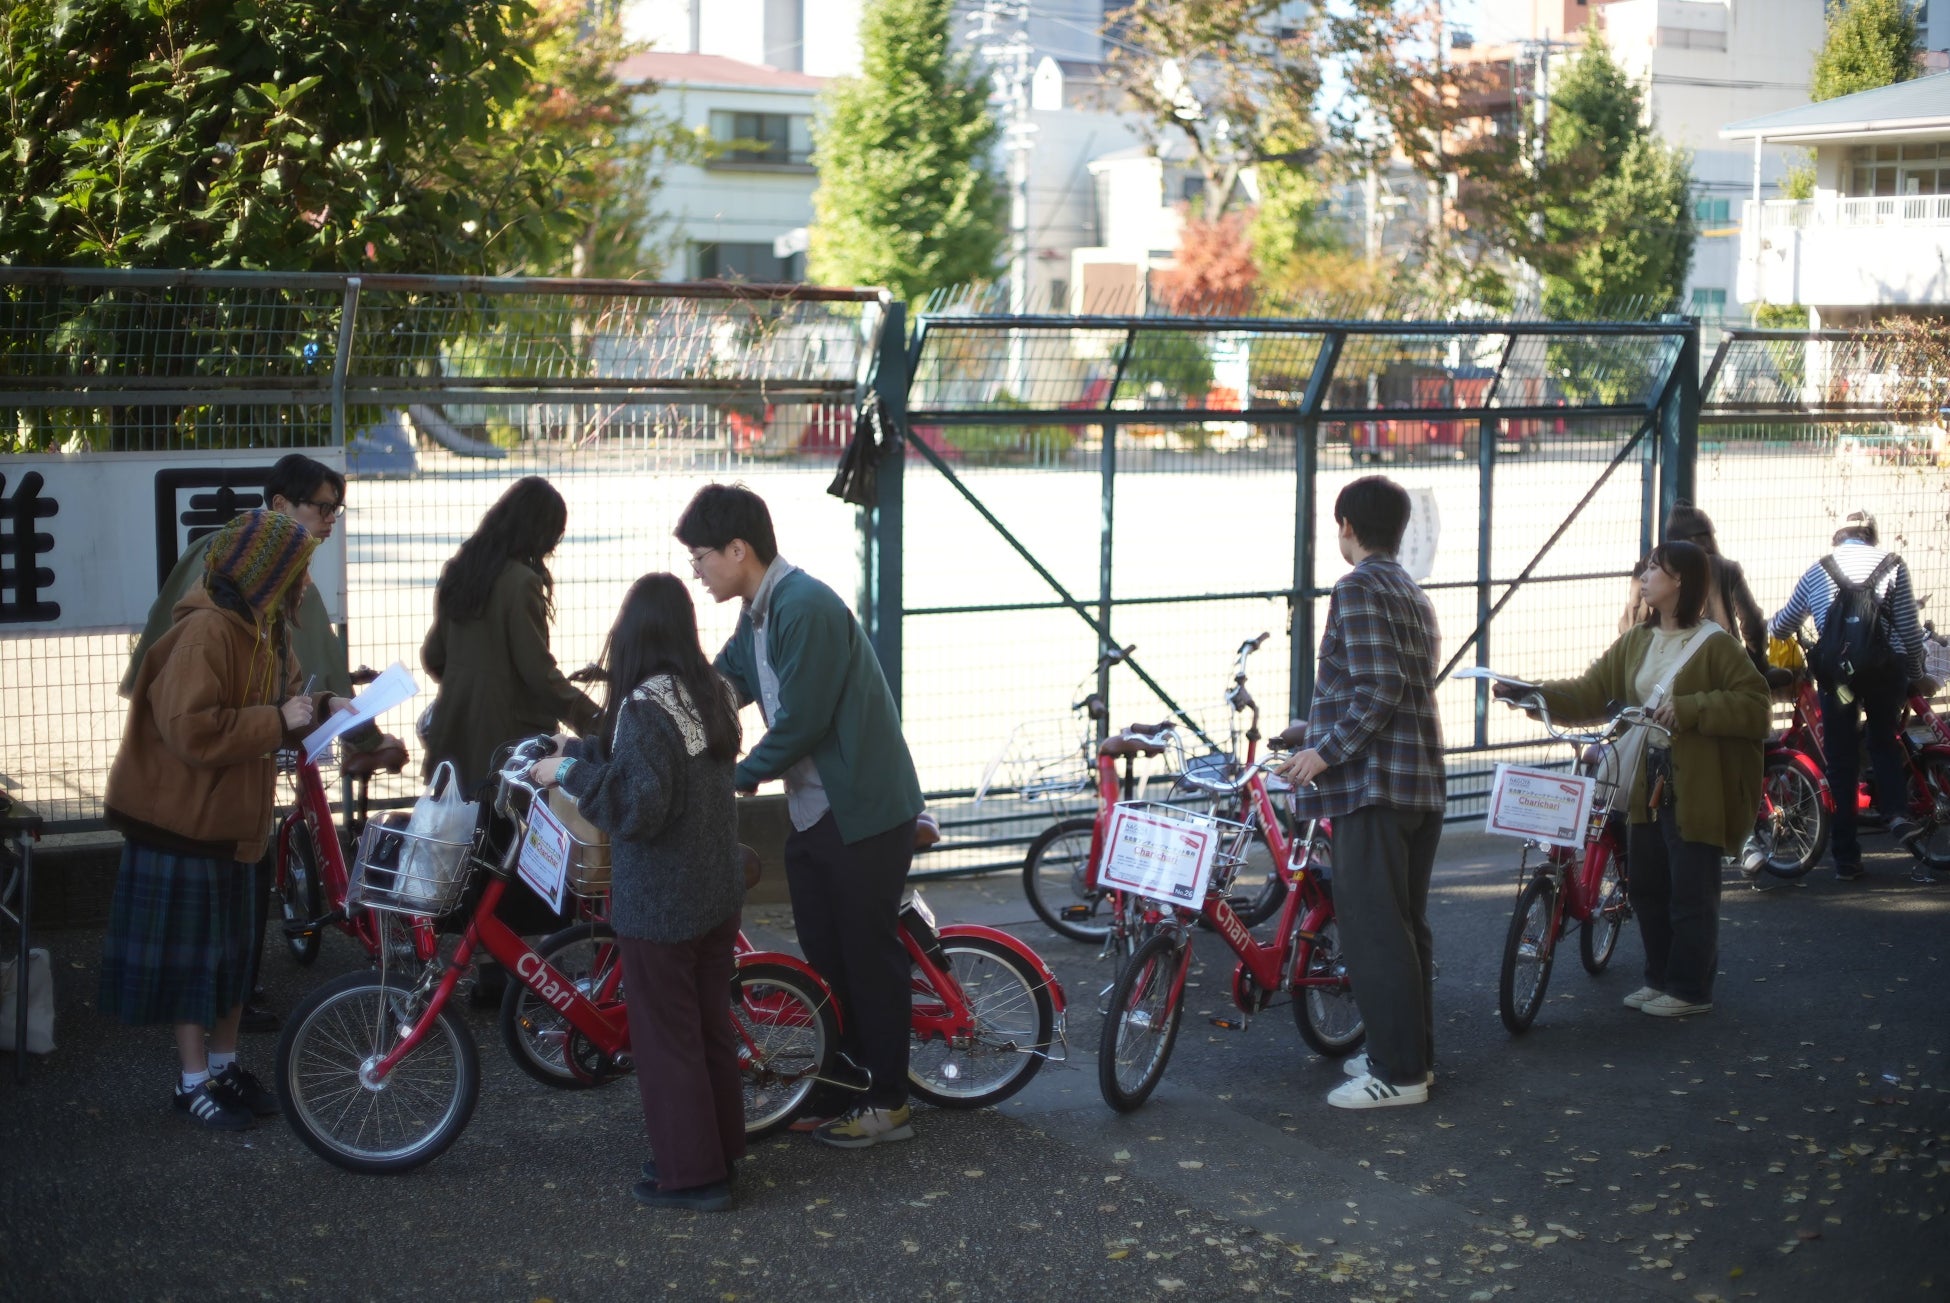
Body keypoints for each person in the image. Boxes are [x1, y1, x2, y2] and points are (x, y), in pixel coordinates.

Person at [677, 483, 925, 1149]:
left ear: (738, 549)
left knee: (866, 959)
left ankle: (889, 1103)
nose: (696, 571)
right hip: (819, 811)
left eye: (700, 557)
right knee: (827, 957)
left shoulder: (803, 606)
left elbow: (804, 720)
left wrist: (734, 777)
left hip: (862, 812)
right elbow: (724, 683)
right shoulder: (757, 612)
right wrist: (667, 712)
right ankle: (845, 1084)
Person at [99, 510, 352, 1130]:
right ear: (267, 573)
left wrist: (324, 705)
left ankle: (223, 1065)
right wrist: (278, 721)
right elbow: (190, 731)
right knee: (195, 963)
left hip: (234, 823)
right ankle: (192, 1082)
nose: (305, 583)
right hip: (183, 824)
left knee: (234, 960)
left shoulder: (266, 627)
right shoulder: (206, 630)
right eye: (297, 570)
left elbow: (288, 700)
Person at [120, 452, 368, 1036]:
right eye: (322, 508)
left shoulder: (260, 588)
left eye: (337, 510)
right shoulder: (234, 592)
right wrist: (282, 719)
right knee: (208, 929)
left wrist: (321, 706)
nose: (330, 521)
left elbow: (293, 678)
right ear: (281, 506)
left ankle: (220, 1047)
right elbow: (193, 719)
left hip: (224, 777)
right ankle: (199, 1064)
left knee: (228, 919)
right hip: (195, 789)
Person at [529, 574, 745, 1212]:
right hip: (714, 892)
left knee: (667, 1041)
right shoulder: (711, 690)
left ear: (634, 632)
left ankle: (692, 1176)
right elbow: (650, 767)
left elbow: (636, 803)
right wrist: (579, 748)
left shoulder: (646, 705)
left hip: (662, 905)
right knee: (709, 1030)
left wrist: (567, 770)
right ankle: (721, 1153)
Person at [1506, 541, 1768, 1018]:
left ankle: (1690, 990)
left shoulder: (1716, 645)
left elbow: (1755, 705)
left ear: (1680, 580)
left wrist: (1692, 708)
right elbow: (1590, 689)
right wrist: (1532, 694)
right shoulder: (1637, 640)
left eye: (1654, 569)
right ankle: (1660, 979)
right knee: (1647, 886)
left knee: (1691, 889)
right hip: (1647, 779)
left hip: (1696, 784)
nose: (1643, 578)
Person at [1275, 476, 1445, 1110]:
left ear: (1346, 526)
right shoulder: (1411, 591)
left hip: (1373, 790)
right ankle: (1409, 1059)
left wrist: (1322, 752)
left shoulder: (1356, 587)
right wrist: (1316, 728)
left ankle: (1398, 1074)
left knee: (1376, 934)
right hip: (1418, 784)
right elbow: (1392, 686)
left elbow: (1378, 689)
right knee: (1405, 929)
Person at [421, 476, 600, 942]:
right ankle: (504, 967)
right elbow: (538, 674)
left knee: (472, 859)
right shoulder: (521, 582)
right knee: (510, 864)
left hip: (456, 733)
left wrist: (468, 683)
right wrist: (596, 721)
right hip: (508, 743)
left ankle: (476, 959)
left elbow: (434, 656)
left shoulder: (461, 570)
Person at [1769, 510, 1928, 882]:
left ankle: (1846, 860)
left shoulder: (1819, 569)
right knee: (1883, 741)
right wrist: (1916, 675)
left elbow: (1784, 624)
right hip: (1884, 674)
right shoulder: (1892, 564)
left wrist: (1773, 626)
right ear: (1871, 535)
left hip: (1839, 680)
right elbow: (1909, 631)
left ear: (1837, 537)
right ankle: (1896, 814)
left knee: (1840, 762)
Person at [1619, 504, 1768, 669]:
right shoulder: (1726, 569)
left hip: (1662, 668)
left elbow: (1632, 619)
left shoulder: (1649, 565)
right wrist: (1757, 663)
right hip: (1721, 667)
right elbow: (1752, 623)